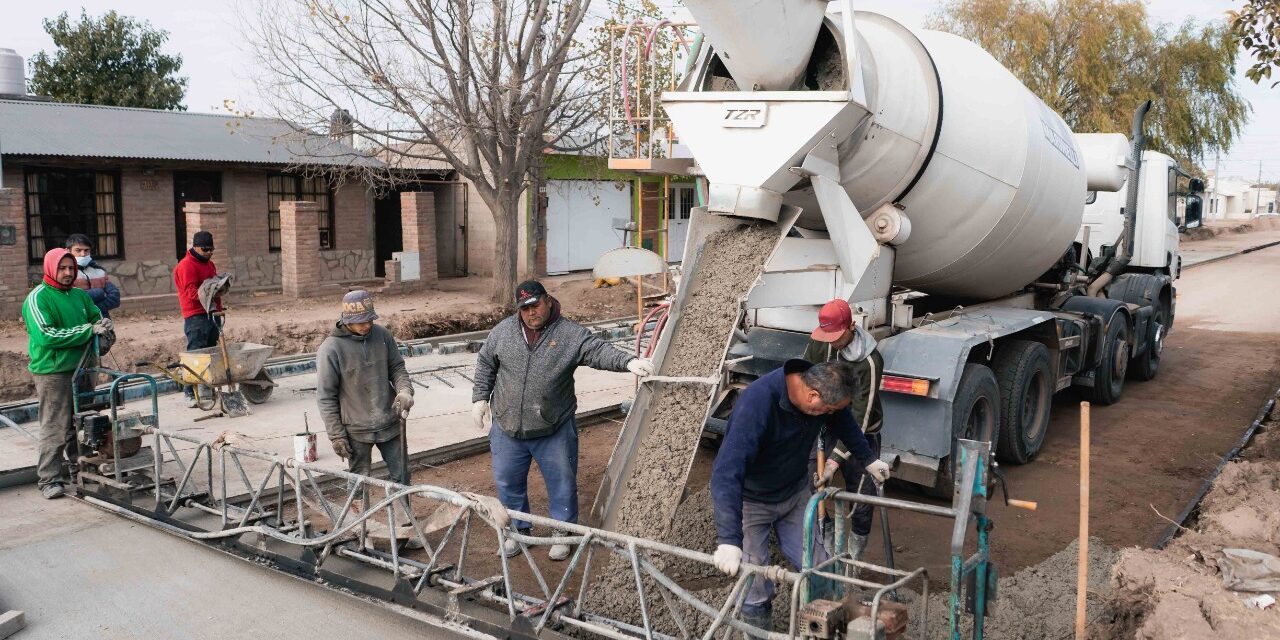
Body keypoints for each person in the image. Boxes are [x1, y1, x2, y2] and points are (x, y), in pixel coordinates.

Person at [472, 279, 654, 560]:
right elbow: (486, 363)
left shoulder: (569, 334)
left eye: (535, 306)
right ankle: (517, 533)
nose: (531, 313)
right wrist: (479, 398)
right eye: (524, 309)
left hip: (553, 427)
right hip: (508, 426)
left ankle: (562, 533)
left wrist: (627, 362)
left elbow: (597, 350)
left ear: (547, 300)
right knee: (508, 482)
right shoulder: (504, 332)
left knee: (562, 483)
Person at [709, 359, 891, 631]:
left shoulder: (822, 392)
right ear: (813, 396)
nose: (830, 414)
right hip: (752, 501)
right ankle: (760, 633)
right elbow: (725, 473)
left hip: (794, 493)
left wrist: (867, 458)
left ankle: (825, 628)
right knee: (754, 580)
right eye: (827, 409)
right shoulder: (757, 403)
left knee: (820, 566)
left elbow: (844, 421)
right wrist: (728, 540)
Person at [22, 248, 110, 499]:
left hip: (83, 367)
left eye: (71, 268)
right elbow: (46, 335)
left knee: (84, 422)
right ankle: (49, 479)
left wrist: (104, 329)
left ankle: (81, 469)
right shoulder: (38, 298)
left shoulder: (79, 296)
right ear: (50, 268)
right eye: (63, 268)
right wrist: (88, 331)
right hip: (54, 372)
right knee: (56, 426)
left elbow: (96, 318)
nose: (68, 273)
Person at [803, 298, 885, 561]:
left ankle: (853, 557)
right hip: (825, 423)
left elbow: (860, 417)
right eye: (827, 336)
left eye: (836, 336)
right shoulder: (822, 341)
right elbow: (806, 379)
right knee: (813, 484)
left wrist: (834, 461)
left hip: (861, 432)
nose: (831, 342)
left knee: (861, 496)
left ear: (851, 326)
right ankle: (824, 549)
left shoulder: (869, 362)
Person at [316, 290, 414, 487]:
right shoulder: (331, 349)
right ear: (347, 320)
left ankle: (404, 514)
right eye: (361, 321)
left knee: (402, 476)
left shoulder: (383, 336)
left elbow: (397, 367)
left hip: (390, 422)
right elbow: (326, 397)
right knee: (358, 482)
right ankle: (359, 517)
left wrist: (405, 390)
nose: (367, 325)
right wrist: (336, 435)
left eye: (370, 319)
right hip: (356, 430)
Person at [173, 231, 223, 407]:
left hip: (211, 313)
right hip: (195, 315)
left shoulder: (210, 265)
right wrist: (211, 291)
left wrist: (219, 304)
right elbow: (191, 293)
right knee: (195, 354)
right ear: (195, 247)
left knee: (210, 353)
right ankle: (189, 392)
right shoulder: (186, 266)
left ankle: (206, 388)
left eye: (212, 249)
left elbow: (214, 289)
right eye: (205, 249)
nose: (209, 252)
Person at [65, 234, 121, 318]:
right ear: (68, 251)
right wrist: (100, 293)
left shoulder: (99, 271)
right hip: (79, 323)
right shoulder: (66, 274)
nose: (83, 254)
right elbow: (71, 300)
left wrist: (94, 309)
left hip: (103, 322)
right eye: (78, 250)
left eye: (86, 250)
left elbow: (115, 297)